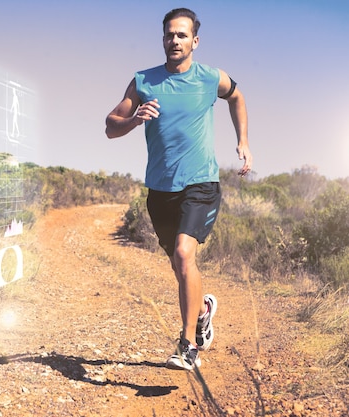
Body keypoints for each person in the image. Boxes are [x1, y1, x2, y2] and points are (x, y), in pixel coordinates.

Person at [105, 7, 252, 371]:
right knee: (179, 265)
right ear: (163, 39)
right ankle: (202, 311)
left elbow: (236, 96)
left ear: (194, 41)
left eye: (182, 35)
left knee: (186, 255)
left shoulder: (209, 78)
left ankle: (187, 347)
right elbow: (110, 125)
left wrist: (243, 140)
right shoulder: (143, 81)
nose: (175, 40)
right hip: (160, 190)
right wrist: (133, 118)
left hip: (201, 183)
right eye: (170, 34)